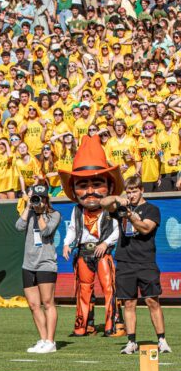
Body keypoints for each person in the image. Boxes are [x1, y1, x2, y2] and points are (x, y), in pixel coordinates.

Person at [59, 135, 125, 338]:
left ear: (110, 186)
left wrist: (106, 243)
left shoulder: (110, 209)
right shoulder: (77, 210)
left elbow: (116, 229)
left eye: (97, 184)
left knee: (108, 288)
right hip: (83, 252)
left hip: (102, 251)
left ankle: (113, 324)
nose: (90, 191)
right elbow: (72, 229)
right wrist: (66, 244)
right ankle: (84, 325)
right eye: (82, 185)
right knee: (83, 290)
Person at [101, 176, 172, 354]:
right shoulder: (122, 206)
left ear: (142, 190)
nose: (131, 195)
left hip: (146, 261)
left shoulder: (152, 209)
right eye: (129, 191)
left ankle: (162, 340)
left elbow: (145, 228)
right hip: (125, 261)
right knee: (129, 303)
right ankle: (131, 342)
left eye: (134, 191)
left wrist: (131, 215)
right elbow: (103, 203)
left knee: (152, 301)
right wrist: (118, 198)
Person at [15, 184, 61, 353]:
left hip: (46, 263)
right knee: (34, 305)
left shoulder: (54, 215)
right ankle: (43, 339)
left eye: (40, 198)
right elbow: (18, 227)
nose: (38, 201)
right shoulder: (29, 213)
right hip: (28, 264)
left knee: (48, 302)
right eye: (35, 198)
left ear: (46, 199)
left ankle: (51, 341)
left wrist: (40, 212)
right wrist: (28, 207)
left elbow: (46, 232)